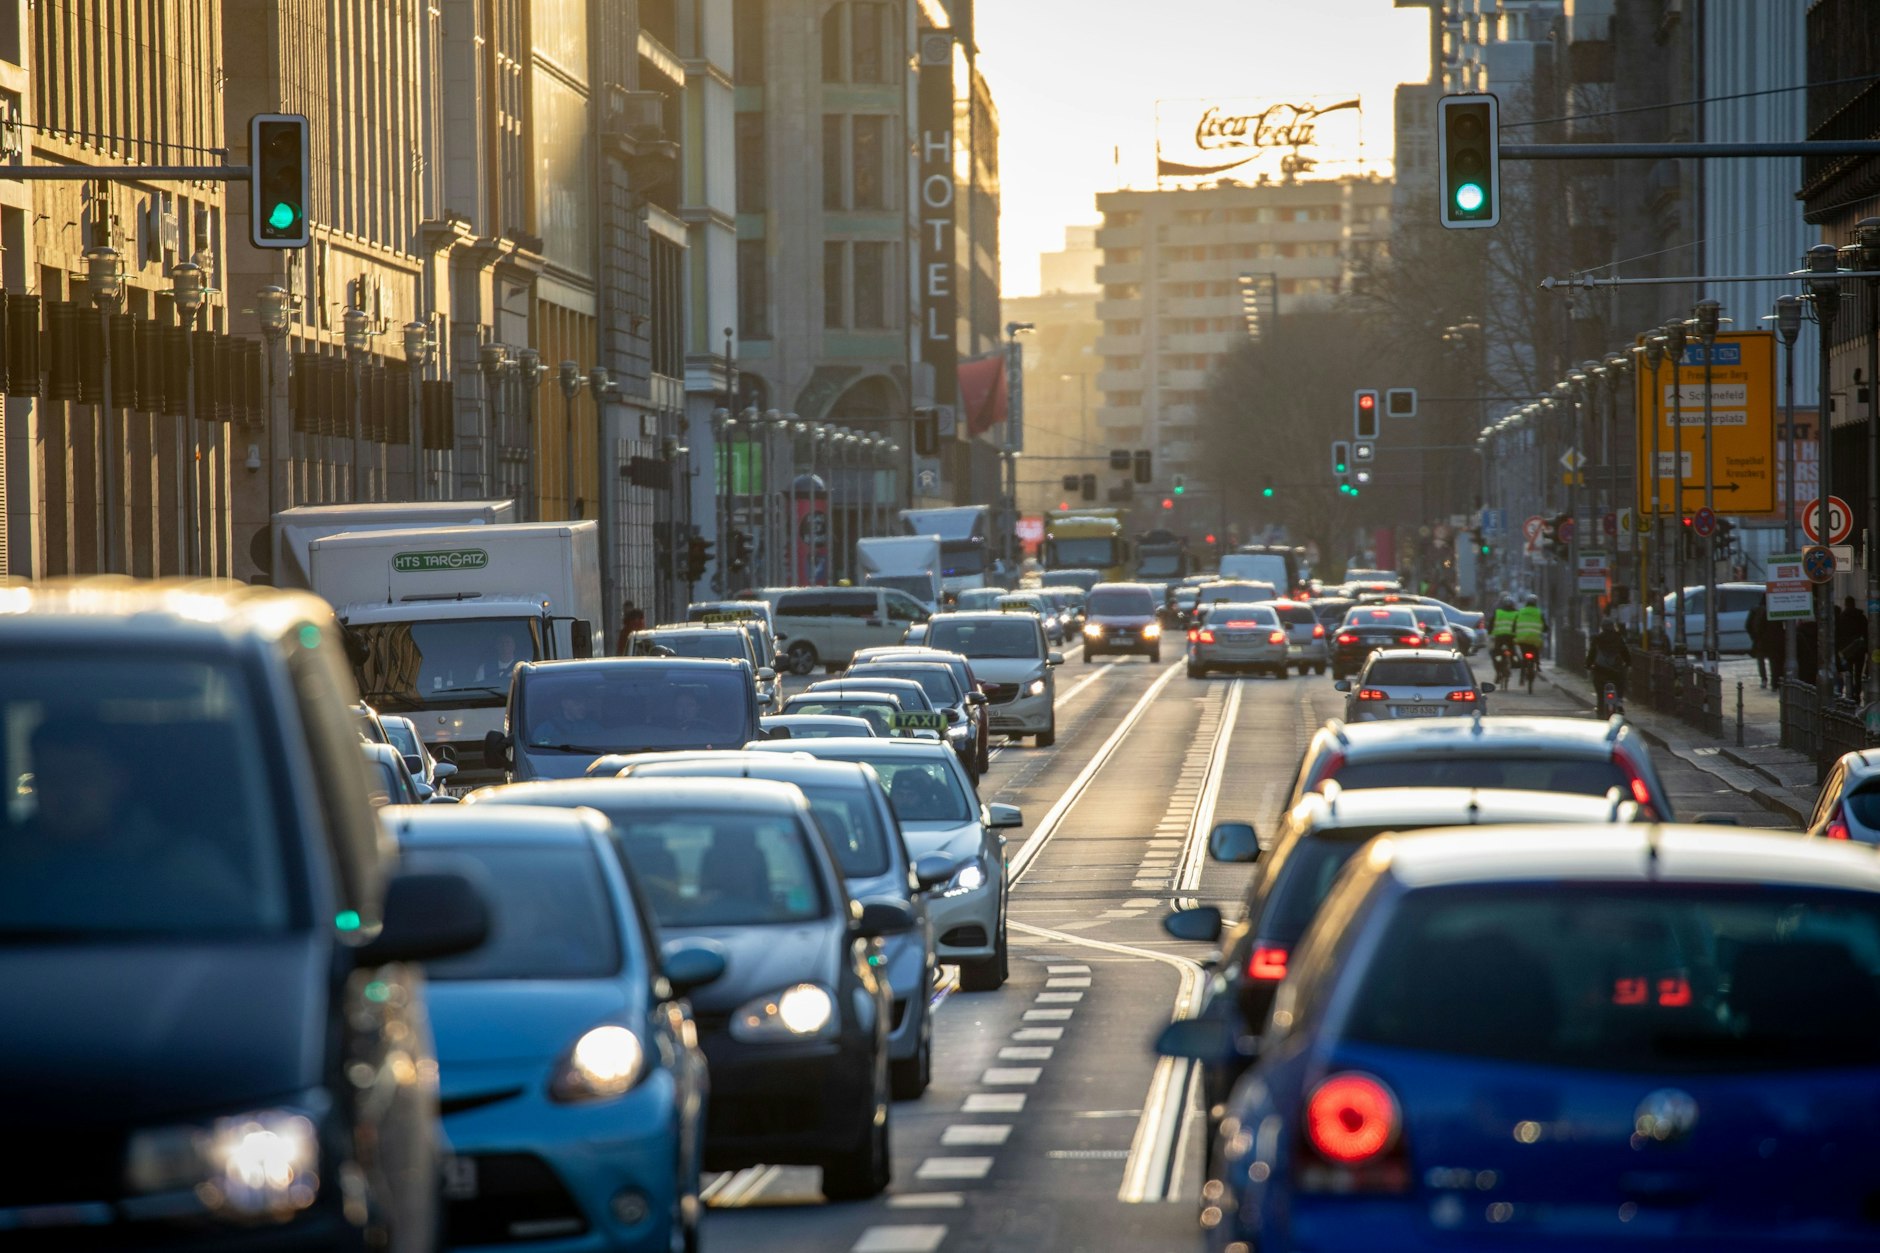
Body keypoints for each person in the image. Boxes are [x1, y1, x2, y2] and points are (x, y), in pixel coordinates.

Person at [1586, 618, 1631, 716]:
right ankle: (1619, 701)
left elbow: (1591, 654)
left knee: (1600, 693)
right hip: (1616, 672)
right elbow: (1625, 653)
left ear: (1602, 627)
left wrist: (1588, 665)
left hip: (1600, 671)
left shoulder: (1597, 639)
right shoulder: (1618, 638)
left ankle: (1600, 709)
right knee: (1621, 683)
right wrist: (1628, 663)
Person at [1839, 595, 1869, 699]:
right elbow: (1866, 633)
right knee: (1858, 673)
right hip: (1860, 649)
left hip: (1847, 650)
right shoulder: (1861, 617)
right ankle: (1857, 692)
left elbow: (1839, 634)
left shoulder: (1841, 617)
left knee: (1849, 673)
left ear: (1846, 604)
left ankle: (1850, 694)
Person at [1513, 594, 1547, 669]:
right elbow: (1544, 625)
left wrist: (1514, 632)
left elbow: (1515, 624)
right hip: (1534, 639)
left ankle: (1522, 675)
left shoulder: (1520, 612)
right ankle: (1537, 664)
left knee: (1523, 653)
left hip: (1522, 639)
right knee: (1536, 649)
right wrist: (1545, 629)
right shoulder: (1539, 612)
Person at [1745, 601, 1769, 688]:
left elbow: (1747, 625)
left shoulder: (1755, 610)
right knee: (1775, 660)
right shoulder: (1774, 609)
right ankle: (1776, 681)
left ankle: (1764, 679)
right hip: (1773, 638)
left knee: (1761, 660)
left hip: (1759, 639)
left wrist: (1754, 636)